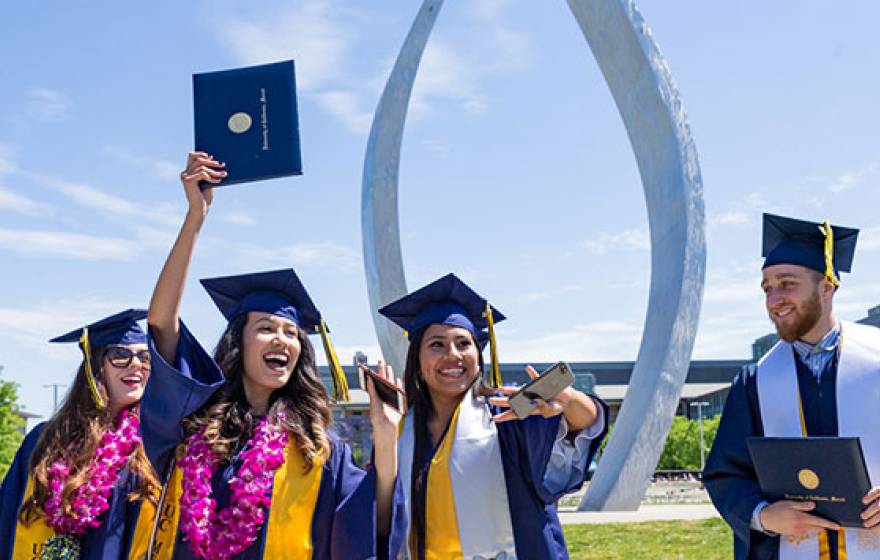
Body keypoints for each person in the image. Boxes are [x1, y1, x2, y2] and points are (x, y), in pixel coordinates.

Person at [129, 152, 403, 559]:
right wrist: (195, 218)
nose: (282, 340)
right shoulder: (192, 426)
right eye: (266, 329)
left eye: (292, 333)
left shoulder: (317, 448)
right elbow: (161, 325)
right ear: (239, 343)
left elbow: (370, 530)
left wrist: (386, 437)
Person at [377, 273, 608, 559]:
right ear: (418, 359)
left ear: (478, 353)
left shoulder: (506, 413)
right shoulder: (401, 429)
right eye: (436, 344)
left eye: (463, 344)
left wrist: (569, 399)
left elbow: (584, 423)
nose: (452, 355)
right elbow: (380, 520)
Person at [704, 213, 880, 560]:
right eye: (767, 288)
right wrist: (764, 516)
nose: (774, 300)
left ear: (827, 286)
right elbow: (726, 474)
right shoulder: (755, 382)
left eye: (787, 283)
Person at [0, 309, 160, 560]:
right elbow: (7, 516)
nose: (136, 364)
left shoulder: (152, 443)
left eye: (145, 357)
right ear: (95, 366)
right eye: (120, 355)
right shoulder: (45, 440)